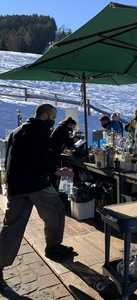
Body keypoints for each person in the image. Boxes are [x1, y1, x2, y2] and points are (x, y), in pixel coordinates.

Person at [0, 104, 75, 286]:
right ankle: (53, 248)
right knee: (56, 211)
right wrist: (57, 171)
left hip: (16, 187)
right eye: (53, 117)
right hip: (36, 184)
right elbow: (41, 160)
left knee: (12, 227)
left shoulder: (17, 131)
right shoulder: (39, 131)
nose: (53, 121)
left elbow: (9, 158)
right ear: (46, 115)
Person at [49, 117, 77, 189]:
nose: (73, 128)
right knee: (66, 170)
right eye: (73, 126)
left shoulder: (61, 127)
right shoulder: (63, 129)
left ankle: (60, 189)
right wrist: (74, 139)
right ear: (70, 124)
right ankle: (64, 190)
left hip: (52, 152)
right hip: (53, 153)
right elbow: (68, 142)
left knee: (63, 170)